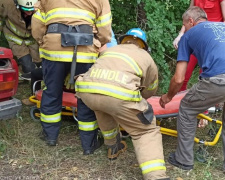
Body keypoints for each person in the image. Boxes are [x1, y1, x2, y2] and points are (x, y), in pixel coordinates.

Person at [75, 28, 170, 180]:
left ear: (123, 40)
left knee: (103, 109)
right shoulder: (145, 57)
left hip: (87, 90)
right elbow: (150, 89)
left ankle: (113, 147)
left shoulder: (111, 50)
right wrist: (139, 100)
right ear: (144, 45)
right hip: (120, 94)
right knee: (145, 130)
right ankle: (156, 176)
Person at [31, 0, 112, 156]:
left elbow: (37, 23)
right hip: (85, 49)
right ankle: (89, 144)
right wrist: (98, 43)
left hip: (54, 49)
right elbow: (104, 27)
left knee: (51, 91)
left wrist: (43, 41)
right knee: (85, 95)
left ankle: (50, 136)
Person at [159, 6, 225, 171]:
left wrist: (167, 97)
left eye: (184, 25)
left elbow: (179, 78)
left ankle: (183, 160)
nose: (184, 29)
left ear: (191, 21)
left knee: (187, 108)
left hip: (218, 79)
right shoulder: (222, 26)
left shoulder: (188, 35)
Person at [173, 0, 225, 91]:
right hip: (196, 39)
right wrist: (181, 34)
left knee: (207, 77)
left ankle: (211, 103)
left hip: (212, 42)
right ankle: (179, 99)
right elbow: (188, 16)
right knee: (184, 73)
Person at [0, 0, 41, 80]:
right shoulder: (7, 4)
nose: (29, 12)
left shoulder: (40, 7)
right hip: (15, 38)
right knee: (28, 65)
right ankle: (22, 71)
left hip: (32, 38)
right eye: (26, 10)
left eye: (31, 10)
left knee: (39, 62)